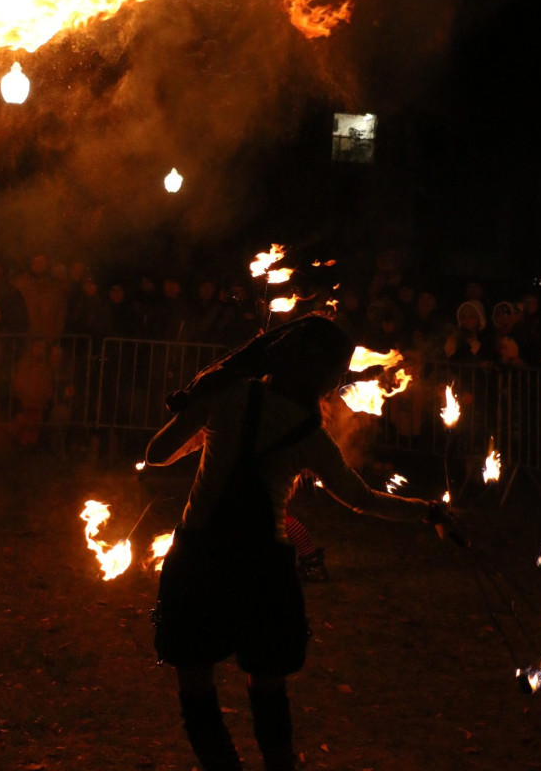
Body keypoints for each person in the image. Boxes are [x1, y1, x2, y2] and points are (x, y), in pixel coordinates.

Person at [145, 314, 452, 771]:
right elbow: (359, 499)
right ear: (323, 378)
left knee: (195, 683)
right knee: (267, 688)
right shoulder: (309, 433)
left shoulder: (224, 395)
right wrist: (427, 511)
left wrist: (201, 419)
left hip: (199, 557)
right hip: (261, 568)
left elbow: (156, 455)